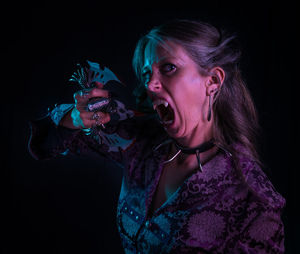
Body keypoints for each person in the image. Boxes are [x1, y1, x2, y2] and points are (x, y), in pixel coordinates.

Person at [29, 19, 285, 253]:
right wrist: (74, 117)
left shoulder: (253, 202)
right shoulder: (141, 141)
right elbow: (45, 144)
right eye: (146, 74)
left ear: (213, 81)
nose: (151, 85)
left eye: (169, 68)